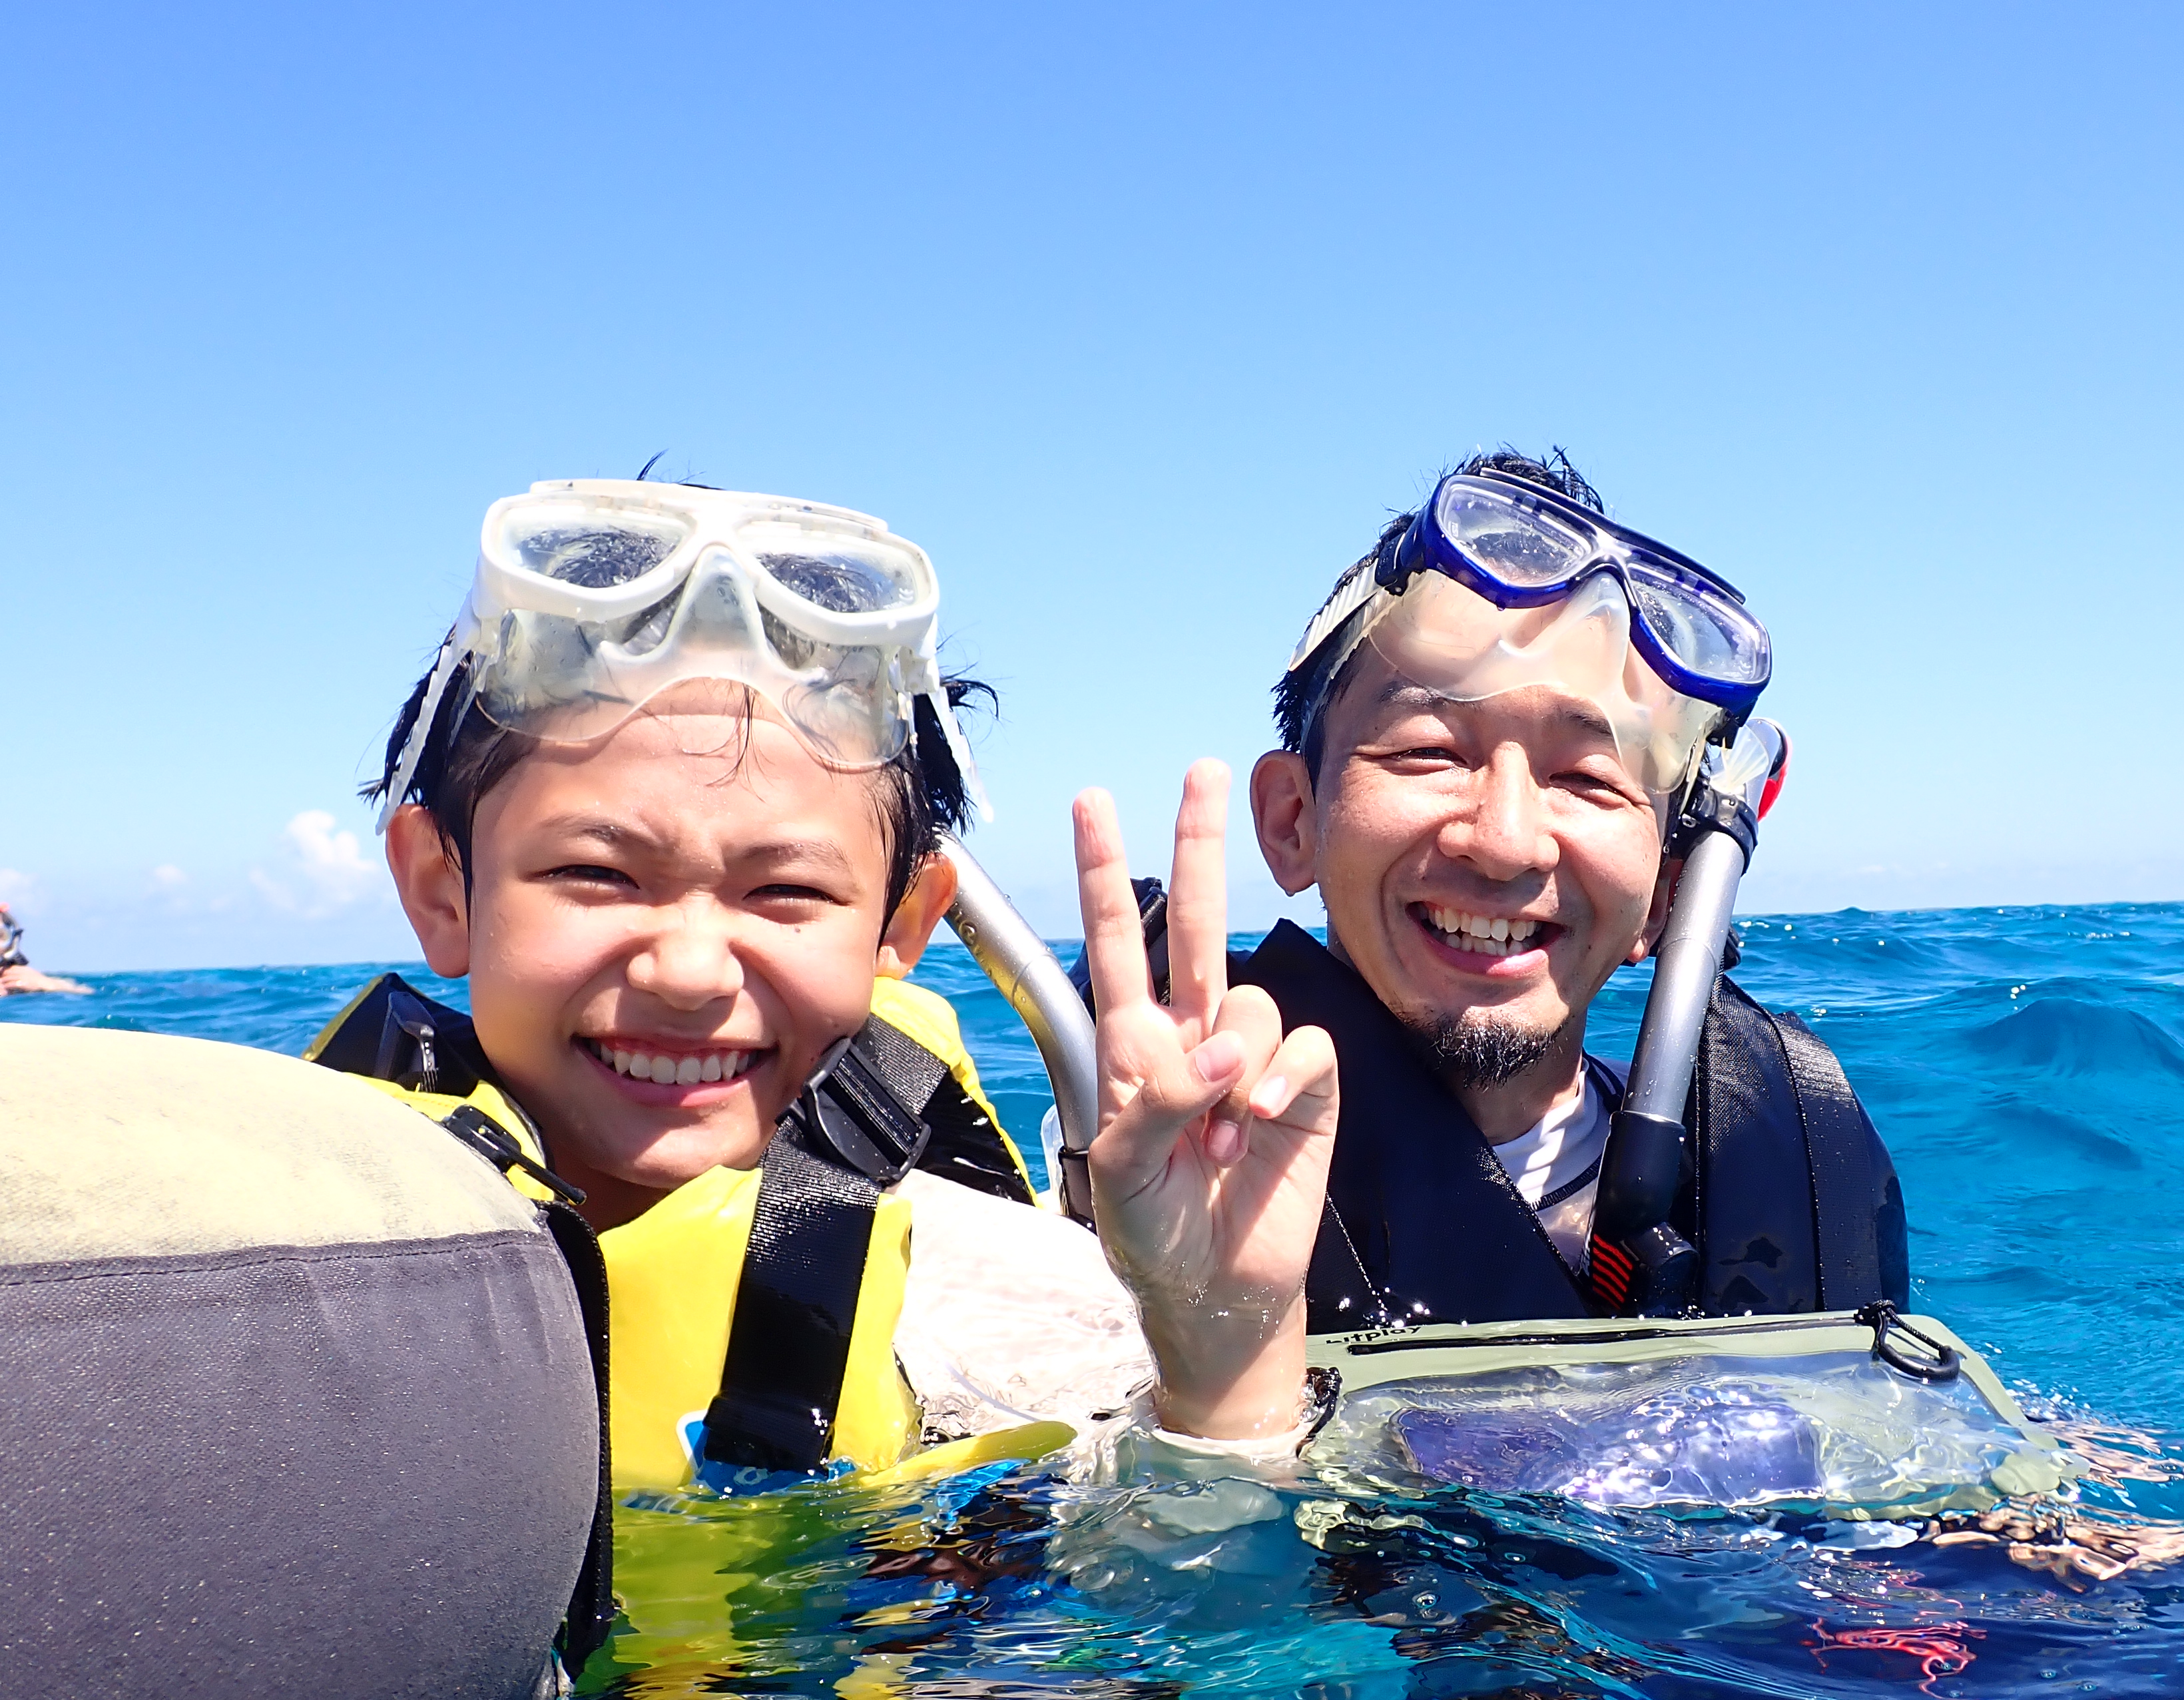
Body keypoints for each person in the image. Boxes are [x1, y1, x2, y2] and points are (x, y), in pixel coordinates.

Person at [319, 477, 1180, 1493]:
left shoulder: (990, 1300)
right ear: (443, 891)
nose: (686, 973)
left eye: (785, 890)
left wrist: (1219, 1363)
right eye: (595, 874)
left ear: (900, 925)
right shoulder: (298, 1271)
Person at [1071, 451, 1906, 1448]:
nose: (1506, 839)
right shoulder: (1136, 1219)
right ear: (1293, 822)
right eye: (1430, 751)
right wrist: (1215, 1358)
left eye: (1589, 779)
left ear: (1668, 895)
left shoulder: (1793, 1161)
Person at [0, 904, 91, 995]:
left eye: (1, 935)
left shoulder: (21, 977)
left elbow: (87, 993)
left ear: (12, 941)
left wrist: (47, 985)